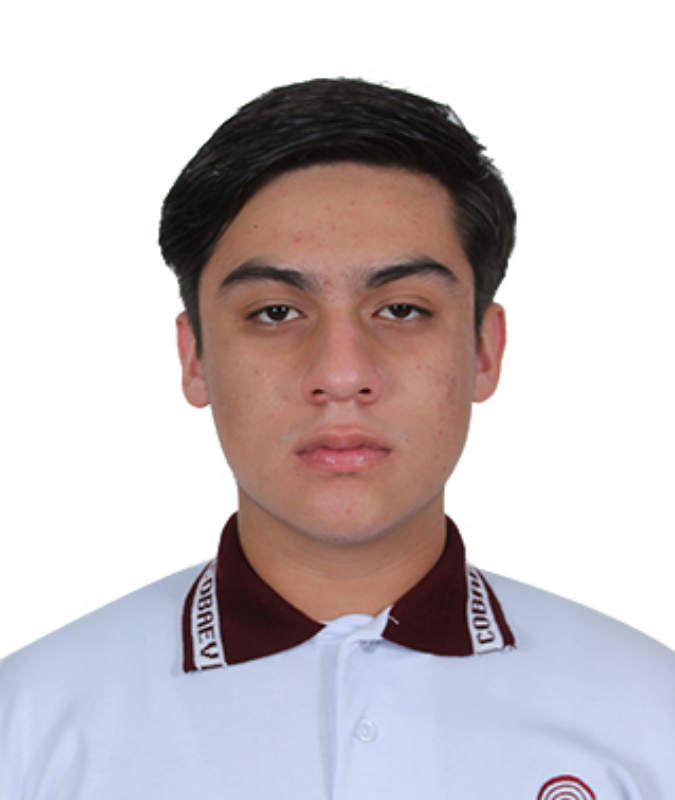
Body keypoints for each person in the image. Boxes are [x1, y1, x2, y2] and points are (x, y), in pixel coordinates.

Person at [1, 78, 673, 800]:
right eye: (275, 312)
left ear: (483, 350)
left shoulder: (648, 716)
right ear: (195, 357)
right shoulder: (28, 725)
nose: (342, 374)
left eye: (402, 309)